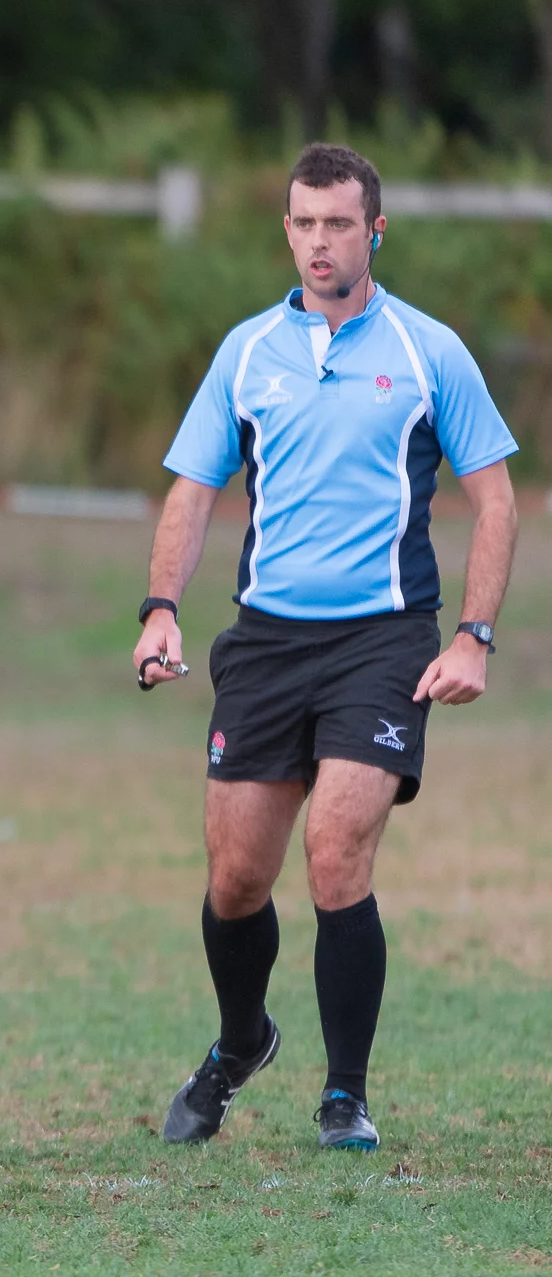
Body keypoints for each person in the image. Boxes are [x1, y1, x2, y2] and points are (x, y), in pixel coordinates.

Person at [136, 143, 518, 1154]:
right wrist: (160, 606)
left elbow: (496, 501)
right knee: (235, 880)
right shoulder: (248, 350)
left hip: (382, 639)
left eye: (337, 223)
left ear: (374, 231)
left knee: (334, 852)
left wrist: (473, 636)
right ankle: (238, 1041)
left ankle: (343, 1094)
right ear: (287, 231)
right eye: (302, 223)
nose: (318, 241)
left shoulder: (429, 350)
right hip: (264, 641)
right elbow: (191, 487)